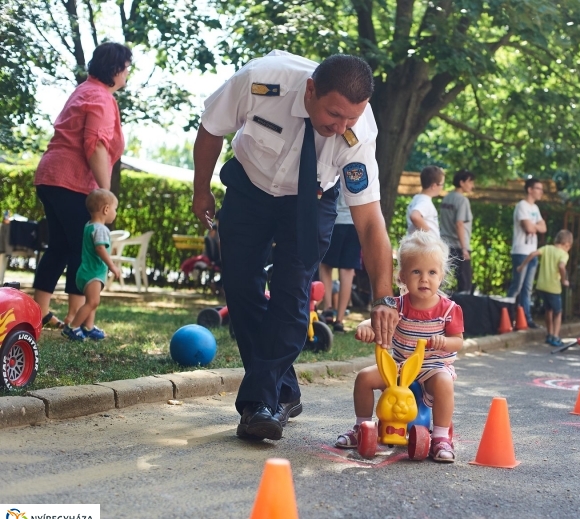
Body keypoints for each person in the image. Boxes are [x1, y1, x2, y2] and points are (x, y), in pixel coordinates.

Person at [192, 51, 398, 443]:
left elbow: (370, 222)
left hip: (312, 198)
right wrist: (201, 190)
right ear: (310, 90)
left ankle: (260, 404)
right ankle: (282, 391)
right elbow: (211, 127)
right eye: (333, 115)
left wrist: (384, 299)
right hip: (249, 186)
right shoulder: (261, 80)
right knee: (240, 285)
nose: (341, 127)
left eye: (351, 118)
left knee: (293, 287)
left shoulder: (360, 134)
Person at [334, 231, 464, 462]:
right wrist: (366, 327)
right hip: (399, 366)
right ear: (402, 276)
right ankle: (360, 427)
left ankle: (441, 436)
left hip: (432, 366)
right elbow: (375, 320)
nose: (424, 279)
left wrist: (444, 342)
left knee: (444, 383)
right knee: (364, 377)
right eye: (416, 272)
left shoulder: (448, 309)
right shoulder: (396, 306)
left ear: (441, 275)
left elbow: (458, 341)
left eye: (432, 272)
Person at [32, 42, 131, 331]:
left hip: (50, 176)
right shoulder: (99, 97)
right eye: (126, 68)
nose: (127, 74)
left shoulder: (84, 90)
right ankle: (75, 321)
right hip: (70, 181)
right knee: (84, 247)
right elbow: (96, 145)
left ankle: (40, 311)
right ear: (114, 69)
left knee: (60, 246)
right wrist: (106, 192)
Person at [62, 190, 122, 341]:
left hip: (86, 271)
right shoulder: (101, 229)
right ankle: (72, 327)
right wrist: (112, 266)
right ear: (106, 209)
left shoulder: (89, 225)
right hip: (93, 273)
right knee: (93, 302)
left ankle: (88, 327)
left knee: (92, 300)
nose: (115, 213)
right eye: (115, 209)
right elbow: (100, 248)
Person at [517, 229, 573, 346]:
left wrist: (522, 266)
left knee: (548, 310)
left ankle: (549, 333)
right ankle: (555, 336)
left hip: (542, 286)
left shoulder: (547, 248)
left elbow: (533, 254)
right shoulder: (563, 254)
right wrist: (564, 280)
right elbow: (562, 266)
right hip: (554, 288)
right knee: (558, 312)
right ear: (567, 244)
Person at [319, 193, 362, 333]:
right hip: (354, 222)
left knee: (325, 265)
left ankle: (328, 309)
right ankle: (340, 320)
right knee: (347, 271)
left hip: (334, 221)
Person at [507, 177, 547, 327]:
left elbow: (544, 228)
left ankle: (525, 319)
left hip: (533, 251)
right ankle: (506, 315)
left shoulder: (535, 209)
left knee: (527, 288)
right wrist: (535, 225)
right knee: (517, 286)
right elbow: (529, 228)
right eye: (538, 188)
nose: (541, 192)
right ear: (530, 189)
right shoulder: (522, 206)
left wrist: (535, 225)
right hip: (521, 252)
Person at [439, 170, 475, 294]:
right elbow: (459, 224)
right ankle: (463, 312)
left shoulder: (447, 198)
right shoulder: (462, 200)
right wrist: (464, 248)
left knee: (442, 280)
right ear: (461, 182)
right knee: (465, 284)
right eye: (470, 182)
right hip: (459, 246)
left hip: (444, 244)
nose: (472, 185)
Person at [406, 166, 444, 236]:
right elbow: (415, 216)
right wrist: (430, 235)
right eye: (442, 184)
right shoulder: (425, 201)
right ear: (434, 186)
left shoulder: (416, 199)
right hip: (425, 245)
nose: (442, 187)